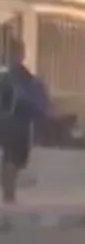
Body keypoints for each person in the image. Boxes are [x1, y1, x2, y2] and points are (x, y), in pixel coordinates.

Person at [0, 39, 48, 204]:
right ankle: (8, 196)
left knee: (14, 160)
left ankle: (8, 195)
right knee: (12, 160)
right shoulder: (12, 77)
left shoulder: (21, 77)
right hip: (15, 124)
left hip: (16, 123)